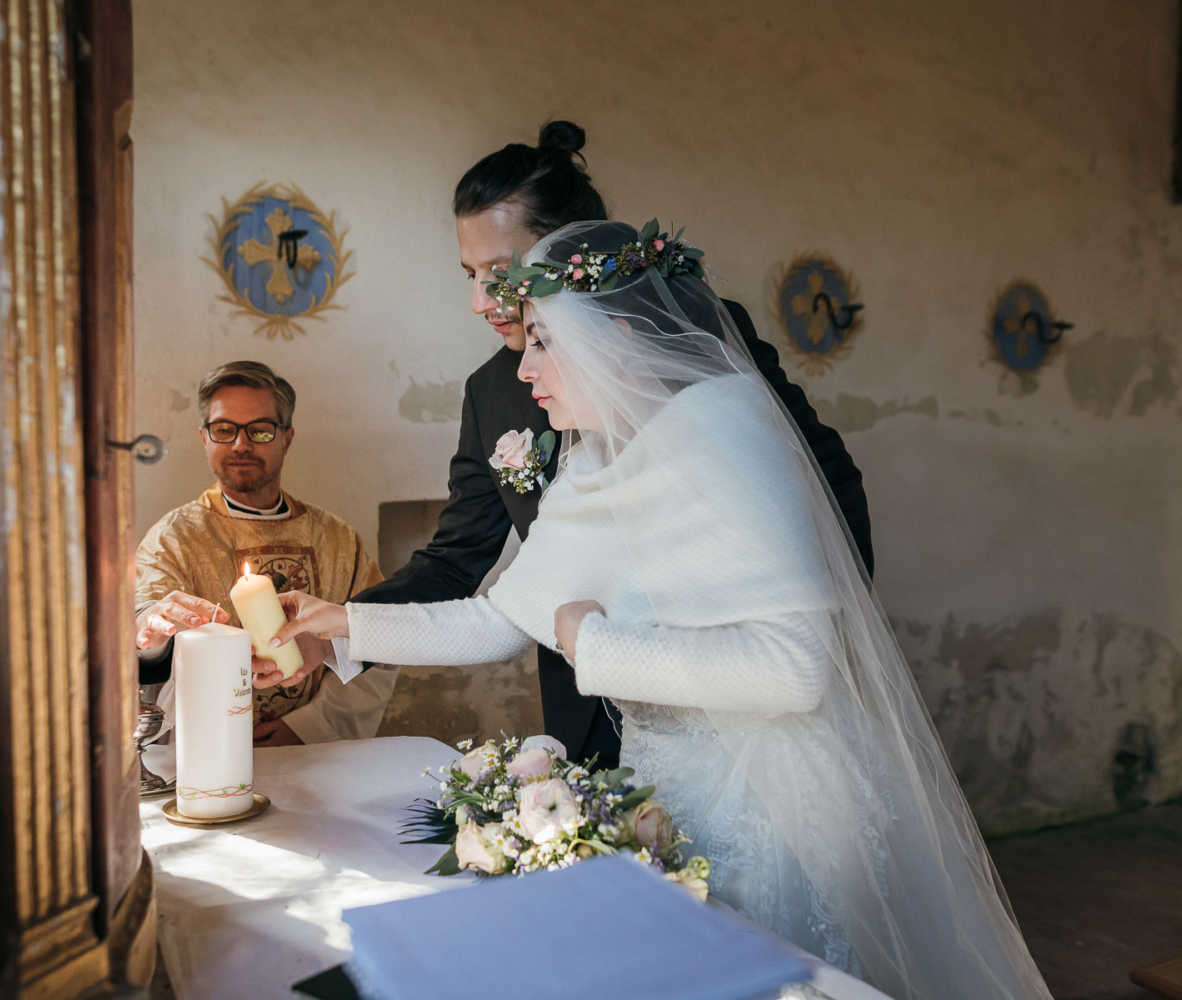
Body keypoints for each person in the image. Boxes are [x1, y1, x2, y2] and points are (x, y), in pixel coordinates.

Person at [268, 221, 1051, 1000]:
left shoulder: (725, 430)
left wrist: (590, 643)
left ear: (612, 334)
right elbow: (505, 617)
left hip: (774, 811)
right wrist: (343, 624)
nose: (526, 366)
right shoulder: (596, 453)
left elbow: (794, 669)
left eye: (544, 341)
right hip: (661, 796)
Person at [345, 121, 872, 771]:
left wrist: (821, 629)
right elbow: (461, 564)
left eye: (499, 272)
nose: (481, 301)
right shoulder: (493, 393)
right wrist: (340, 632)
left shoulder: (695, 337)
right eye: (469, 273)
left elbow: (821, 478)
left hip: (737, 711)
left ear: (569, 253)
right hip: (584, 700)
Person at [134, 361, 396, 749]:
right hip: (209, 750)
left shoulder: (338, 540)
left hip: (312, 755)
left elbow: (378, 644)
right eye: (224, 430)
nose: (241, 444)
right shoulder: (172, 539)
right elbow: (149, 630)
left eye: (259, 429)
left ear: (286, 437)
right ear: (204, 438)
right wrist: (149, 630)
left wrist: (310, 725)